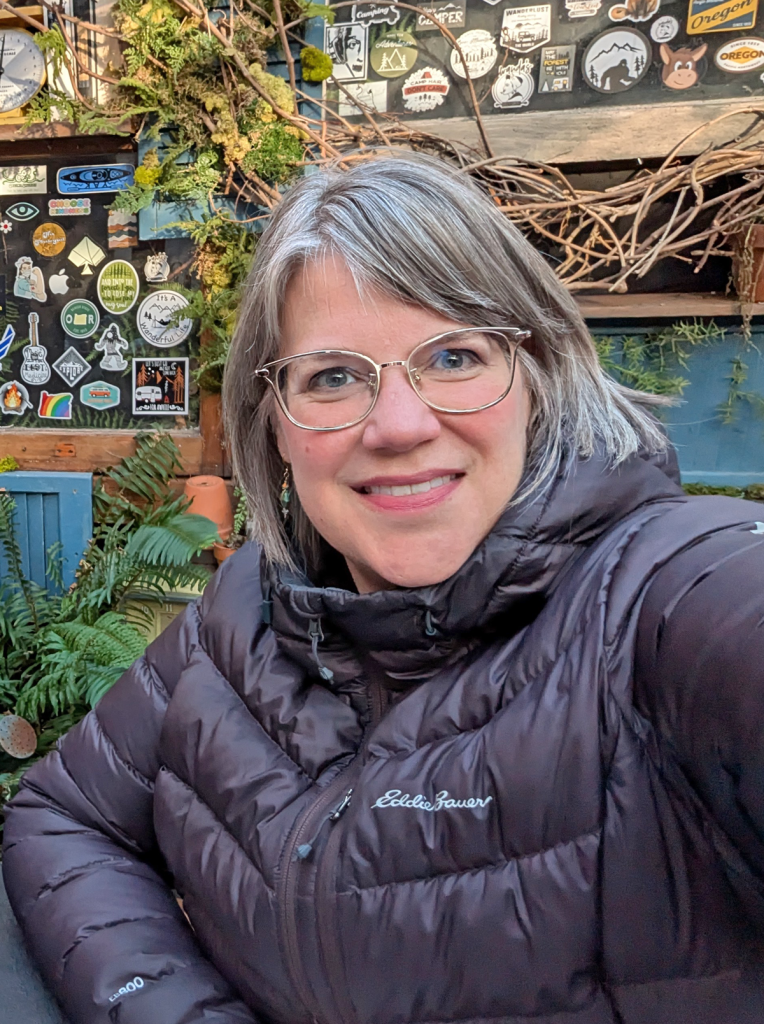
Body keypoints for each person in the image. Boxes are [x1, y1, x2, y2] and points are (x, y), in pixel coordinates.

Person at [3, 154, 764, 1024]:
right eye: (331, 376)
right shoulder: (246, 605)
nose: (399, 424)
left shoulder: (667, 596)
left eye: (454, 355)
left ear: (540, 377)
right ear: (276, 425)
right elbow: (67, 816)